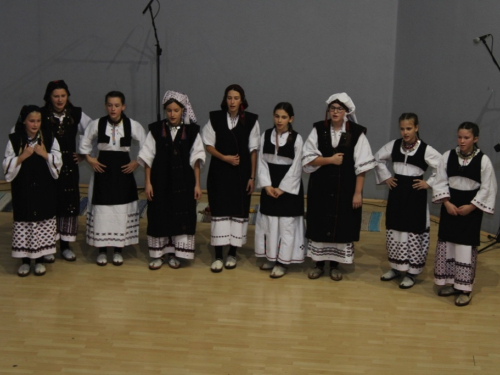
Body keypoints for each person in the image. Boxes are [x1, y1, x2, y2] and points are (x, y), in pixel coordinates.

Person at [302, 92, 376, 281]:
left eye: (339, 109)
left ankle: (335, 265)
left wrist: (358, 193)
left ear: (346, 111)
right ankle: (318, 264)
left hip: (345, 189)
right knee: (319, 222)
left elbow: (362, 166)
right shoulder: (319, 129)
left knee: (341, 225)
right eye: (332, 108)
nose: (335, 112)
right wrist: (330, 160)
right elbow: (308, 158)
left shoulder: (357, 133)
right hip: (321, 188)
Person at [138, 91, 205, 270]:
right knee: (160, 215)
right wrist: (148, 182)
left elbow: (196, 159)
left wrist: (197, 185)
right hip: (160, 183)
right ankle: (159, 255)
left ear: (182, 110)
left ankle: (176, 254)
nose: (172, 114)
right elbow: (147, 158)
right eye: (169, 110)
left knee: (180, 215)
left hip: (184, 183)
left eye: (176, 110)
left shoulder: (191, 131)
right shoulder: (155, 130)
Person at [432, 122, 497, 306]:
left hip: (470, 209)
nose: (462, 141)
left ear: (475, 139)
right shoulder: (447, 156)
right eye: (459, 137)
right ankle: (452, 283)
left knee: (465, 249)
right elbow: (440, 180)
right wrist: (446, 202)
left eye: (466, 138)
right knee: (449, 245)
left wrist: (472, 206)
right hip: (450, 207)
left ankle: (465, 289)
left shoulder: (483, 160)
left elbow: (487, 188)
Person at [374, 113, 441, 289]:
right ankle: (396, 267)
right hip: (397, 192)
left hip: (414, 194)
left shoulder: (425, 149)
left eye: (409, 128)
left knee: (413, 230)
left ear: (416, 128)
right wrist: (387, 177)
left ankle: (412, 272)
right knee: (395, 228)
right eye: (402, 128)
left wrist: (428, 183)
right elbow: (377, 158)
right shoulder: (394, 145)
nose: (405, 132)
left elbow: (442, 167)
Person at [79, 91, 146, 266]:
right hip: (103, 172)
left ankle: (118, 250)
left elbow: (146, 146)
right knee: (103, 211)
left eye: (117, 105)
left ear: (123, 106)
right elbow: (84, 144)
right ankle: (101, 250)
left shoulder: (132, 125)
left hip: (123, 172)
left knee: (120, 211)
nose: (113, 109)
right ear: (105, 106)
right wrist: (90, 159)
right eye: (110, 105)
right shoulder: (96, 124)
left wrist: (136, 162)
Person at [201, 84, 260, 272]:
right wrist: (224, 157)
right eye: (229, 97)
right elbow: (208, 144)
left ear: (242, 100)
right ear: (225, 99)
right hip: (219, 172)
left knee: (238, 212)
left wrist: (252, 177)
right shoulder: (215, 118)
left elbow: (253, 151)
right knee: (219, 212)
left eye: (236, 98)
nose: (232, 101)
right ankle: (218, 256)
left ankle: (232, 253)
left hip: (241, 175)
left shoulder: (251, 121)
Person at [3, 105, 62, 276]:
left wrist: (44, 154)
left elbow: (58, 161)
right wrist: (23, 156)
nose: (35, 125)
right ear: (24, 121)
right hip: (23, 188)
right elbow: (7, 165)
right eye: (31, 121)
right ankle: (25, 260)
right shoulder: (15, 139)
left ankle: (41, 259)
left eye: (38, 121)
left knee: (43, 220)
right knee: (25, 219)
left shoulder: (49, 138)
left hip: (44, 188)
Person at [40, 80, 93, 263]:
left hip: (69, 168)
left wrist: (84, 154)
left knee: (67, 204)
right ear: (49, 97)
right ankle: (47, 246)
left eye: (63, 95)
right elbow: (24, 133)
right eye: (56, 96)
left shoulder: (75, 114)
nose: (60, 99)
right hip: (47, 168)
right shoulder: (40, 115)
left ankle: (65, 246)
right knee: (49, 205)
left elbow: (93, 130)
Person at [254, 102, 305, 278]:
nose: (279, 120)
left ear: (291, 118)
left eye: (284, 117)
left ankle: (283, 261)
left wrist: (282, 189)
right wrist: (267, 185)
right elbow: (261, 162)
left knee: (286, 226)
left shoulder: (297, 138)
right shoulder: (266, 135)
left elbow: (297, 166)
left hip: (288, 189)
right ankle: (270, 257)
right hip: (270, 185)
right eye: (277, 116)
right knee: (269, 223)